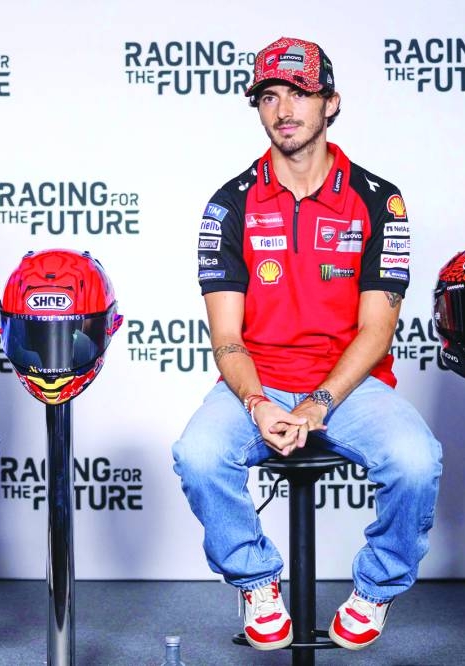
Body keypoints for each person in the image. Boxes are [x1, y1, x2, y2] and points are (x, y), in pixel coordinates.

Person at [172, 36, 442, 651]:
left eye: (300, 93)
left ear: (331, 103)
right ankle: (257, 581)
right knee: (198, 454)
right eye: (269, 96)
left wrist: (317, 402)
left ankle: (376, 587)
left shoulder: (379, 200)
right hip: (259, 380)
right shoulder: (228, 205)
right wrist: (260, 403)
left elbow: (378, 331)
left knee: (417, 460)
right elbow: (227, 337)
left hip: (351, 384)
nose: (284, 109)